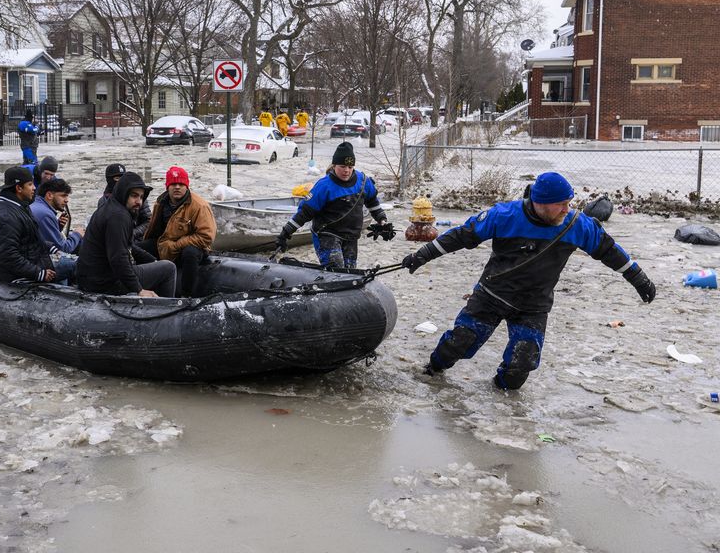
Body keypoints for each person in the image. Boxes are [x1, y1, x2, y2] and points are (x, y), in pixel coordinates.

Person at [401, 171, 657, 391]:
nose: (567, 209)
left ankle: (501, 398)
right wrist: (422, 255)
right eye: (561, 204)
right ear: (540, 203)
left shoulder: (577, 225)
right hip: (492, 295)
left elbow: (608, 249)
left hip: (533, 305)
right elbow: (461, 236)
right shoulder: (504, 215)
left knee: (520, 365)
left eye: (569, 203)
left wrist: (637, 277)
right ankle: (431, 371)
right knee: (459, 343)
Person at [275, 142, 394, 269]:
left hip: (351, 236)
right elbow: (304, 213)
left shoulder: (363, 181)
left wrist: (382, 220)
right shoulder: (324, 186)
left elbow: (372, 202)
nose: (346, 170)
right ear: (334, 165)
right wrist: (285, 233)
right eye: (342, 166)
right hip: (327, 234)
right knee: (336, 272)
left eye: (350, 166)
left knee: (350, 272)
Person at [75, 171, 177, 298]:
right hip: (105, 283)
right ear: (124, 194)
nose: (139, 202)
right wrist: (139, 289)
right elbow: (118, 258)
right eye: (134, 196)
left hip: (91, 278)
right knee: (168, 268)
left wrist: (153, 261)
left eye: (141, 197)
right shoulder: (119, 217)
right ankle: (167, 309)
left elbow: (128, 246)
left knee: (158, 264)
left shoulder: (109, 208)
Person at [0, 166, 73, 284]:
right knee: (80, 265)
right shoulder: (6, 216)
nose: (34, 188)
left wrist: (50, 247)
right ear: (19, 188)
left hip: (32, 258)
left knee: (70, 261)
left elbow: (30, 237)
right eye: (30, 184)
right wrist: (38, 273)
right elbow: (8, 257)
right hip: (19, 270)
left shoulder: (19, 205)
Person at [141, 166, 216, 297]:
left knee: (190, 253)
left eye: (181, 184)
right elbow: (154, 231)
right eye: (173, 184)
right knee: (139, 248)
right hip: (166, 244)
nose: (177, 187)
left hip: (192, 248)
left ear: (186, 186)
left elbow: (206, 236)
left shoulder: (200, 206)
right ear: (167, 187)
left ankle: (187, 295)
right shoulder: (160, 202)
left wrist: (176, 245)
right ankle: (142, 286)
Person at [30, 177, 84, 258]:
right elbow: (63, 249)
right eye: (63, 196)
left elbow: (44, 238)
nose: (66, 200)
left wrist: (57, 227)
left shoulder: (36, 205)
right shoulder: (45, 214)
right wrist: (77, 234)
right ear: (49, 195)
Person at [98, 162, 152, 241]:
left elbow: (149, 221)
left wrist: (132, 234)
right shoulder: (103, 201)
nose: (120, 182)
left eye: (123, 178)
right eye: (117, 178)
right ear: (109, 180)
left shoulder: (138, 197)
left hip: (136, 240)